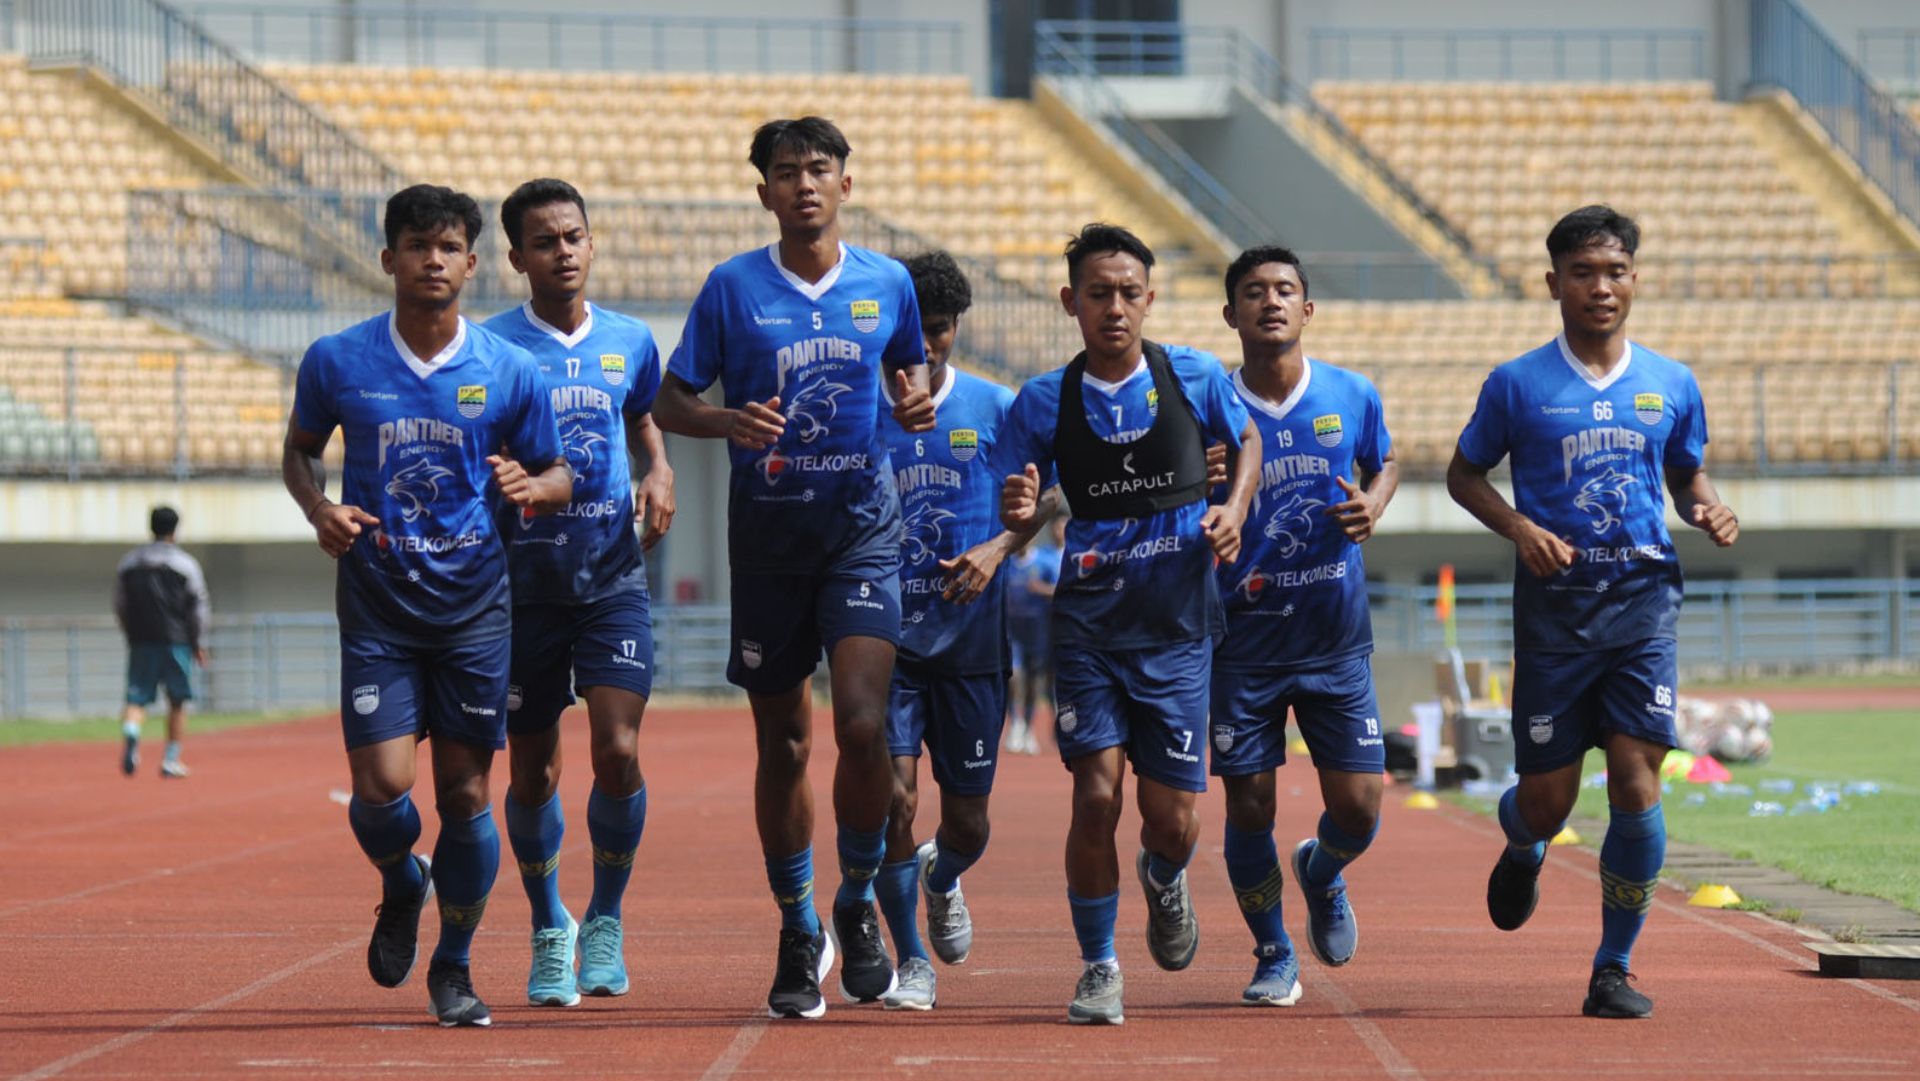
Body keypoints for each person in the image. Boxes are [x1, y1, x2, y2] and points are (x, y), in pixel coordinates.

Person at [652, 116, 935, 1020]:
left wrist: (918, 399)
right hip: (768, 544)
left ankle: (853, 900)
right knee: (783, 743)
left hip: (862, 533)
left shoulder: (888, 283)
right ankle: (793, 920)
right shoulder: (732, 288)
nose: (804, 183)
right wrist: (724, 422)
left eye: (820, 169)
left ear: (846, 183)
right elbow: (669, 397)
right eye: (786, 171)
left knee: (860, 726)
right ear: (764, 191)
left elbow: (912, 375)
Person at [281, 184, 572, 1028]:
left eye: (448, 248)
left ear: (473, 264)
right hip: (377, 607)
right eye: (417, 246)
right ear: (390, 260)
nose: (433, 261)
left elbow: (559, 470)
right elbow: (299, 453)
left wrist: (534, 484)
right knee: (381, 789)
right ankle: (404, 880)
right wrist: (319, 508)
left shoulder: (508, 369)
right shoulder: (338, 359)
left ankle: (455, 965)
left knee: (468, 796)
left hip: (476, 611)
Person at [1447, 205, 1738, 1019]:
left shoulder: (1672, 382)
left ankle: (1612, 967)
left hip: (1643, 607)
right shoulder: (1517, 384)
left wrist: (1709, 507)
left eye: (1614, 272)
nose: (1600, 287)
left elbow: (1686, 473)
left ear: (1634, 280)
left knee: (1638, 783)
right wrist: (1520, 527)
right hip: (1554, 618)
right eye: (1583, 272)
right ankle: (1522, 838)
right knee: (1548, 801)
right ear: (1554, 284)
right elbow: (1463, 476)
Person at [995, 223, 1260, 1025]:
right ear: (1071, 301)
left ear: (1150, 298)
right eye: (1099, 294)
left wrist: (1235, 507)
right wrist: (1014, 512)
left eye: (1130, 293)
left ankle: (1163, 873)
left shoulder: (1194, 374)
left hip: (1179, 627)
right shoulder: (1043, 400)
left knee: (1173, 818)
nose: (1116, 307)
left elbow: (1245, 436)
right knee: (1095, 794)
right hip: (1089, 628)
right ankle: (1099, 965)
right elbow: (1016, 495)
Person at [483, 178, 675, 1008]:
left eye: (574, 236)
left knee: (618, 749)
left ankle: (603, 915)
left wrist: (660, 467)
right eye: (545, 240)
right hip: (522, 590)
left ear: (592, 244)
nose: (563, 251)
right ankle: (546, 924)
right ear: (517, 256)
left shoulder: (631, 340)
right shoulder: (490, 346)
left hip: (612, 577)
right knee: (531, 771)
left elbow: (642, 418)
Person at [1207, 247, 1398, 1006]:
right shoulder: (1207, 407)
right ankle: (1272, 950)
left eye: (1285, 289)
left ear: (1307, 308)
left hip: (1335, 643)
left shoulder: (1351, 393)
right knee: (1248, 803)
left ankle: (1319, 869)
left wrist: (1375, 503)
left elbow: (1388, 461)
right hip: (1240, 646)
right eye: (1253, 292)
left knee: (1359, 807)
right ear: (1231, 315)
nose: (1271, 302)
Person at [873, 250, 1055, 1011]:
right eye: (912, 333)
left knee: (968, 822)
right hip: (879, 642)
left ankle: (942, 877)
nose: (925, 349)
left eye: (939, 331)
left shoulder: (995, 407)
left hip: (972, 641)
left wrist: (999, 545)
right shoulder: (855, 409)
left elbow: (1043, 502)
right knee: (891, 799)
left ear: (954, 330)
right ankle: (909, 959)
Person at [114, 504, 210, 779]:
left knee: (136, 698)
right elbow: (198, 607)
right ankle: (170, 759)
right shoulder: (185, 564)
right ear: (175, 530)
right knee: (177, 700)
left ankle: (132, 733)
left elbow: (119, 602)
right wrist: (199, 642)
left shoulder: (130, 563)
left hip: (141, 640)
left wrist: (128, 630)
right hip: (177, 640)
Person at [1002, 515, 1062, 756]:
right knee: (1015, 677)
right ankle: (1015, 724)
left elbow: (1060, 591)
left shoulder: (1045, 562)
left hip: (1038, 632)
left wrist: (1043, 590)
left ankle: (1028, 727)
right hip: (1012, 630)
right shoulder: (1006, 562)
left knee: (1033, 682)